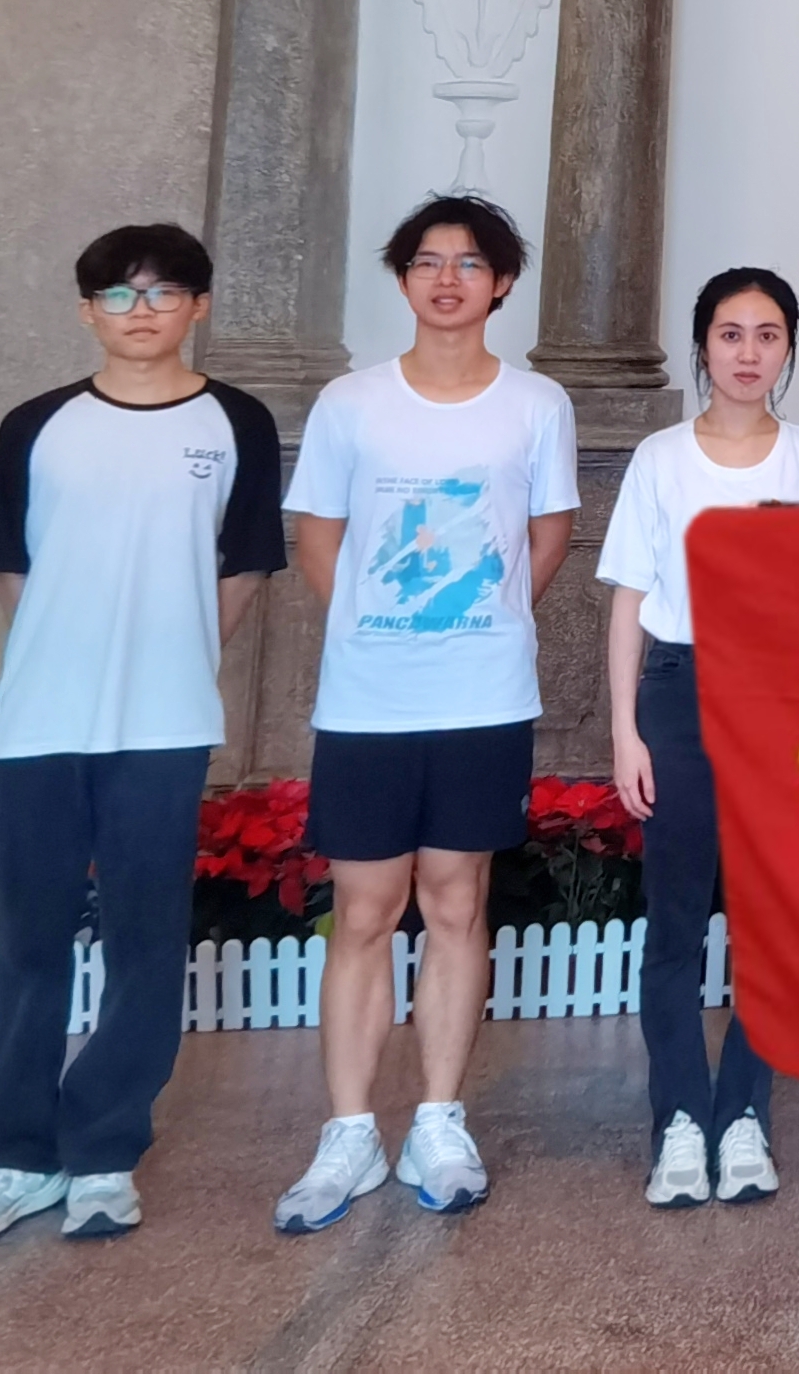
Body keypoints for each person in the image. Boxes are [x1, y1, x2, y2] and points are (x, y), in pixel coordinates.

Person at [0, 224, 287, 1253]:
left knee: (144, 936)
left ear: (199, 306)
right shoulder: (36, 424)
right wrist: (63, 654)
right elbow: (11, 566)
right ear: (87, 310)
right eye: (119, 295)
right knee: (28, 939)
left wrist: (171, 654)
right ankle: (13, 1154)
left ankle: (102, 1149)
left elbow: (242, 570)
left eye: (164, 292)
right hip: (39, 718)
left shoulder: (237, 422)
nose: (142, 311)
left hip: (163, 720)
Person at [271, 195, 583, 1231]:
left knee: (456, 903)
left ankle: (440, 1120)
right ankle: (349, 1131)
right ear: (403, 279)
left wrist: (483, 621)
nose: (448, 280)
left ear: (502, 283)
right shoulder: (352, 403)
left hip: (482, 694)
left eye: (470, 263)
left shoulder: (535, 404)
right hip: (369, 697)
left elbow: (547, 532)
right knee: (363, 911)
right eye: (428, 262)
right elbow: (318, 531)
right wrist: (370, 623)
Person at [605, 266, 799, 1211]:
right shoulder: (661, 457)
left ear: (788, 349)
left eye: (768, 335)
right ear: (703, 344)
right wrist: (625, 731)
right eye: (731, 334)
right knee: (674, 920)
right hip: (679, 690)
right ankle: (677, 1118)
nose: (749, 354)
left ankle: (744, 1113)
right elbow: (629, 600)